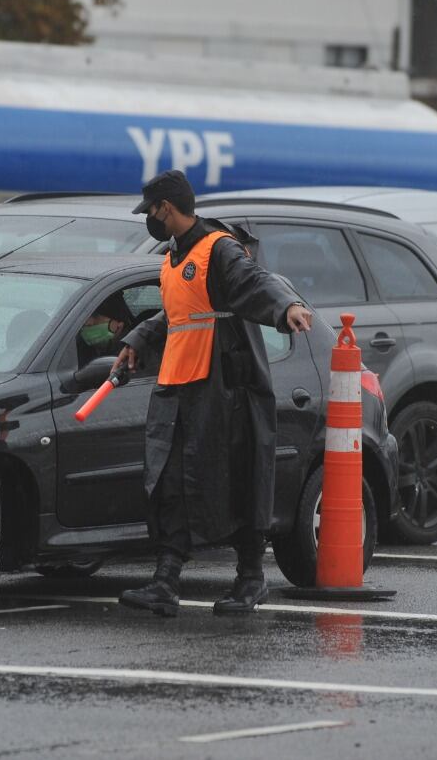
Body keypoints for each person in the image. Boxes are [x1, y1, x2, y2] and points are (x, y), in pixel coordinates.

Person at [114, 169, 313, 618]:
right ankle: (166, 581)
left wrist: (287, 307)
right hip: (178, 384)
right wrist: (138, 341)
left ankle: (250, 579)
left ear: (165, 209)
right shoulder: (171, 256)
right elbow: (177, 314)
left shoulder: (218, 248)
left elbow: (256, 281)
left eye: (149, 211)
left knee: (236, 477)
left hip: (226, 387)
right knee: (170, 480)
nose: (148, 218)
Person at [76, 293, 131, 366]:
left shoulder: (130, 352)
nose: (88, 323)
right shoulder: (76, 346)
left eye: (96, 317)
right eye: (88, 316)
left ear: (119, 325)